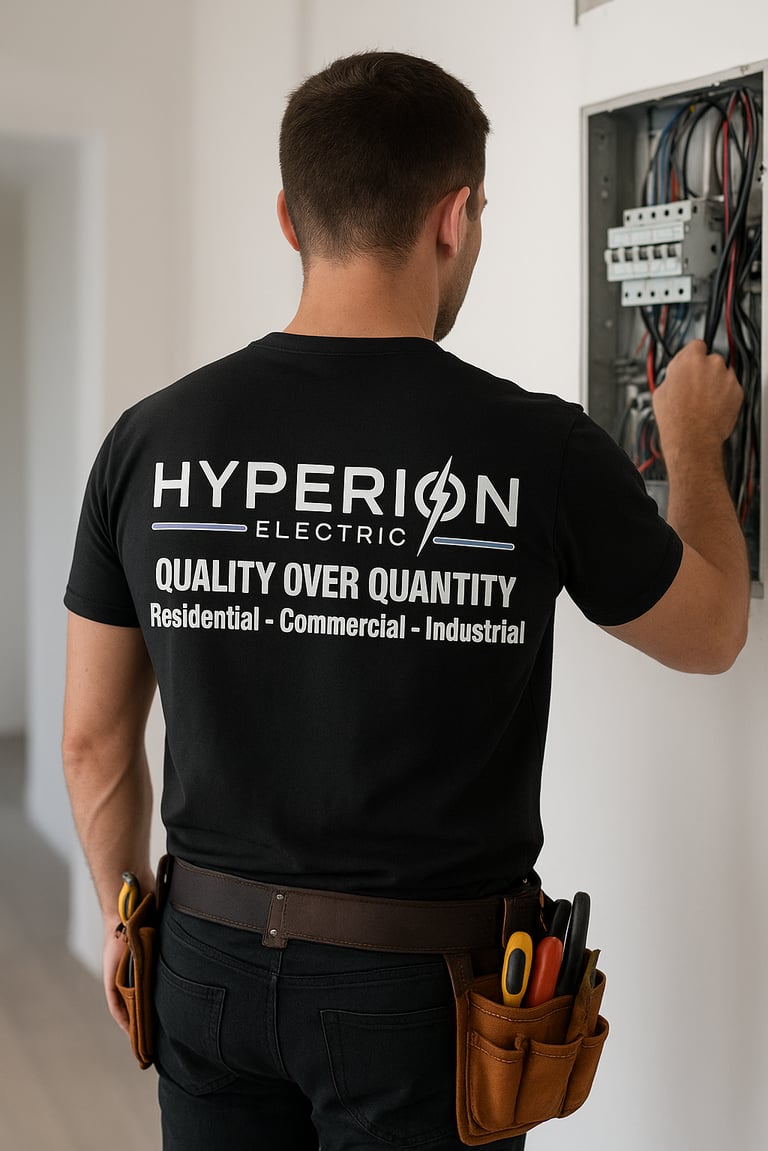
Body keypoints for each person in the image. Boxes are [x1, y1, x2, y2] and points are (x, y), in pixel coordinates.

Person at [62, 51, 749, 1151]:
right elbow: (713, 631)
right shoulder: (535, 448)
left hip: (204, 960)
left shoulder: (152, 441)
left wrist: (121, 912)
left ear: (289, 217)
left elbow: (95, 743)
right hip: (422, 994)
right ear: (456, 216)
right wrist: (696, 448)